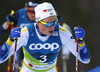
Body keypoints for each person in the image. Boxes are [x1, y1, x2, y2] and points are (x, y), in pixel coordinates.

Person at [0, 2, 91, 72]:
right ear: (38, 22)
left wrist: (81, 42)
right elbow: (1, 59)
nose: (52, 27)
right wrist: (10, 40)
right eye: (48, 24)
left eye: (54, 22)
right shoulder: (26, 33)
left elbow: (85, 60)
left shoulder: (61, 32)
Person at [0, 0, 40, 71]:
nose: (33, 15)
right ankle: (18, 66)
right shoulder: (19, 14)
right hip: (21, 45)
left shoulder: (43, 16)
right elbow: (2, 30)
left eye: (35, 12)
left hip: (37, 45)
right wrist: (8, 22)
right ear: (25, 8)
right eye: (30, 11)